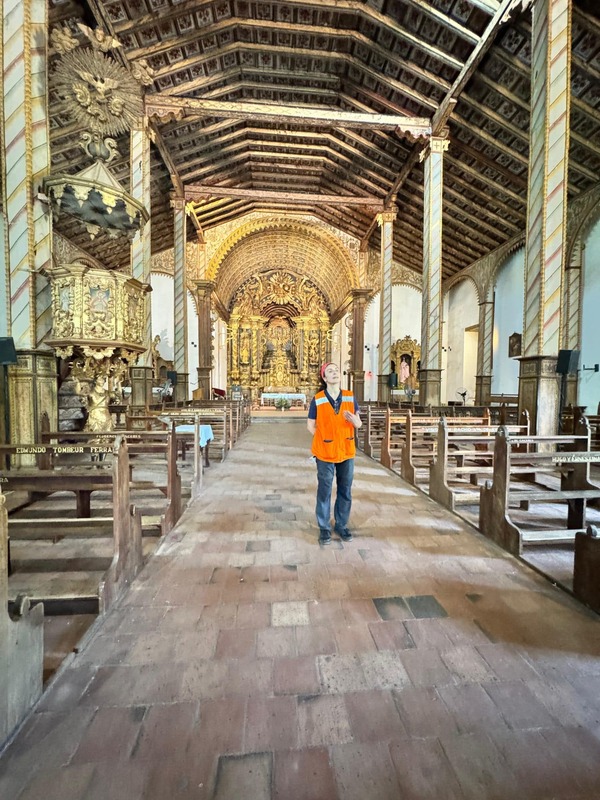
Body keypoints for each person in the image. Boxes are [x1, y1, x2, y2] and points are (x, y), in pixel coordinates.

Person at [307, 362, 362, 545]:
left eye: (336, 370)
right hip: (324, 452)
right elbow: (310, 425)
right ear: (324, 377)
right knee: (324, 489)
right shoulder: (318, 398)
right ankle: (324, 527)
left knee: (345, 489)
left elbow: (359, 423)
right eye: (330, 371)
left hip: (346, 450)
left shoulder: (349, 397)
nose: (335, 373)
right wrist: (324, 438)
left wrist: (355, 421)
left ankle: (341, 524)